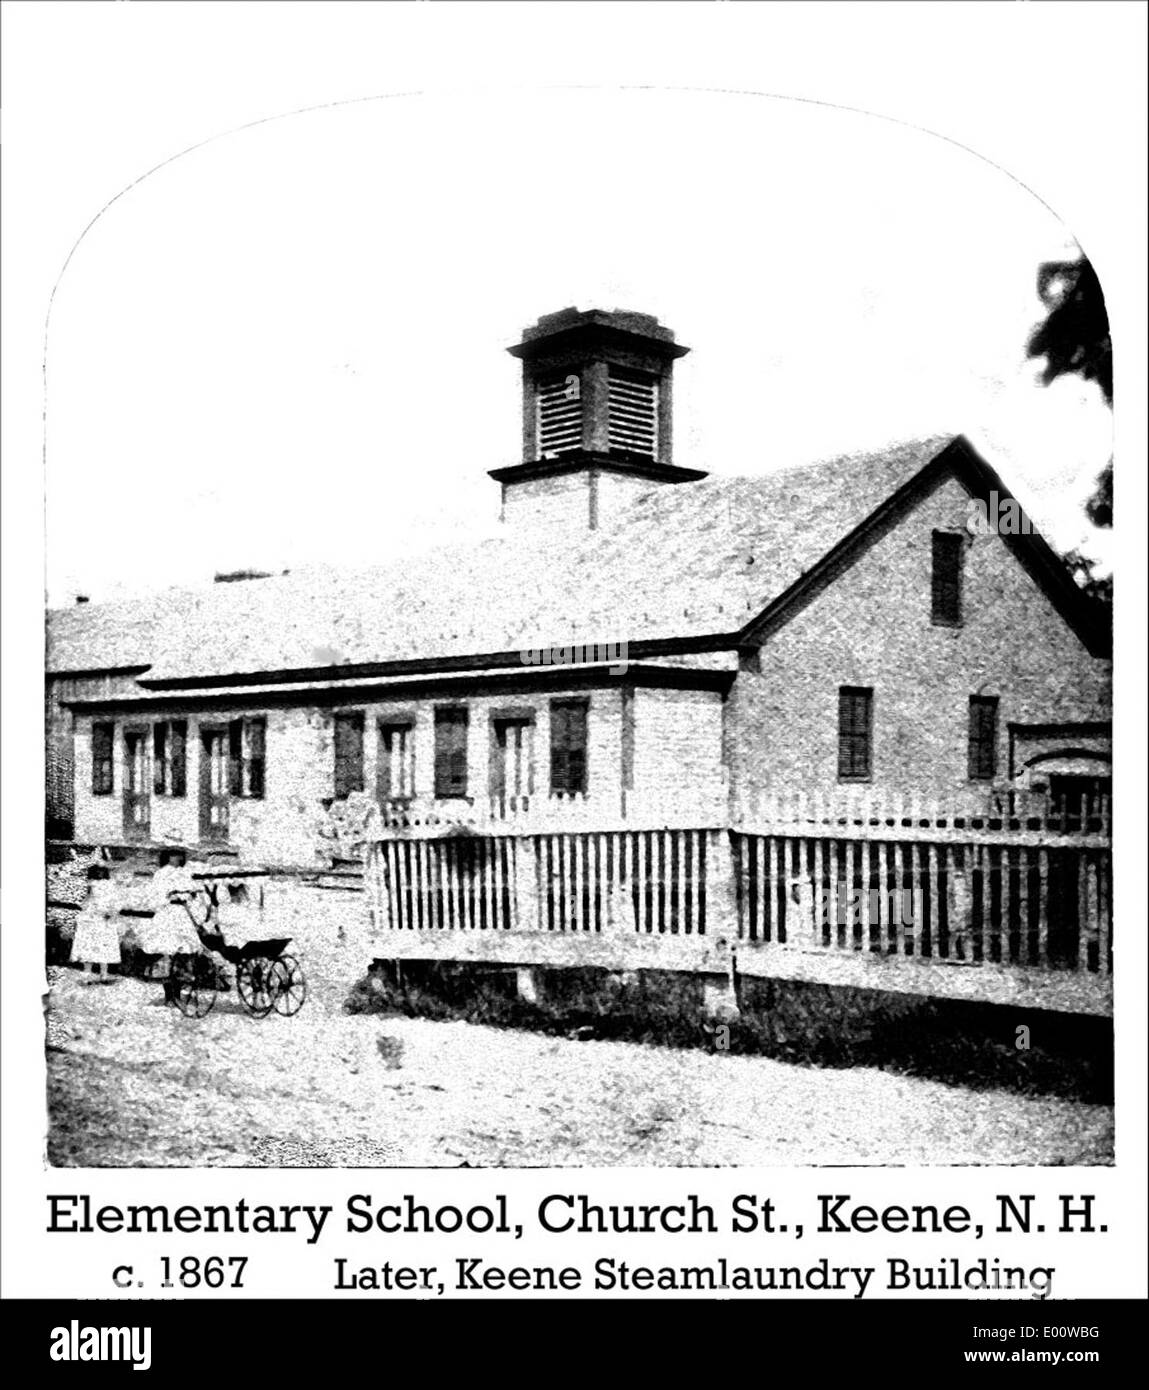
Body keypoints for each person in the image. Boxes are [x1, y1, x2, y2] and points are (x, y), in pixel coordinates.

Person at [139, 849, 202, 1003]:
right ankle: (169, 995)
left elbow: (193, 893)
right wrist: (168, 897)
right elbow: (155, 896)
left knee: (184, 953)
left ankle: (179, 992)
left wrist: (190, 897)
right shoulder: (161, 874)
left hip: (183, 913)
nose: (177, 858)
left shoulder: (185, 873)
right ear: (167, 857)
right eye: (173, 855)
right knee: (167, 953)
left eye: (179, 855)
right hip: (168, 914)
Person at [70, 864, 122, 983]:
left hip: (104, 919)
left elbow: (115, 900)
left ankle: (104, 974)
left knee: (104, 946)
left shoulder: (110, 885)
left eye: (102, 871)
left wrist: (112, 911)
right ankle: (87, 974)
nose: (100, 873)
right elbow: (83, 900)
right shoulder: (89, 884)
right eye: (97, 871)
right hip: (90, 918)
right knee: (88, 946)